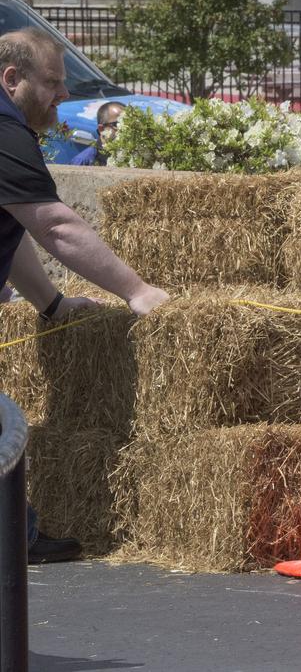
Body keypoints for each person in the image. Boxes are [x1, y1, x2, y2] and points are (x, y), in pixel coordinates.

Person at [0, 28, 170, 562]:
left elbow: (12, 228)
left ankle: (15, 533)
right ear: (12, 79)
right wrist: (137, 291)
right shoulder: (4, 130)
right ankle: (11, 537)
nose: (62, 96)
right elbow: (54, 225)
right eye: (51, 82)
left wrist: (50, 303)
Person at [69, 102, 125, 166]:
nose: (125, 128)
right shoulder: (83, 162)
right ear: (101, 129)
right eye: (118, 124)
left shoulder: (133, 155)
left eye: (128, 123)